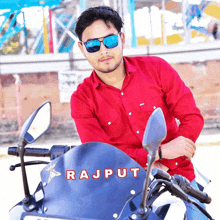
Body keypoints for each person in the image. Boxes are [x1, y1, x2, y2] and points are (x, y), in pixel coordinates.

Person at [71, 6, 207, 219]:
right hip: (124, 191)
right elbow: (101, 157)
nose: (103, 51)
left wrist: (174, 153)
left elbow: (192, 117)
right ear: (82, 49)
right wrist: (157, 156)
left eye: (110, 41)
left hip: (178, 180)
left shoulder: (156, 69)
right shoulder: (82, 99)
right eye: (92, 45)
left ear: (122, 38)